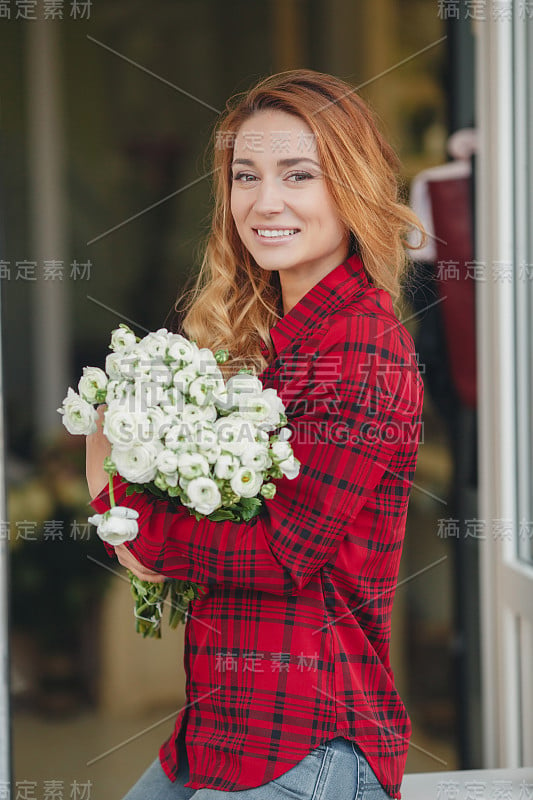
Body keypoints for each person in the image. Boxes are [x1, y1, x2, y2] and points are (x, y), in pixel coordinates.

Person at [86, 68, 425, 800]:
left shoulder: (361, 347)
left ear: (350, 185)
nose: (263, 202)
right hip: (221, 726)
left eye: (297, 175)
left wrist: (135, 526)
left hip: (304, 740)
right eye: (246, 175)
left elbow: (281, 553)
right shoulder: (282, 343)